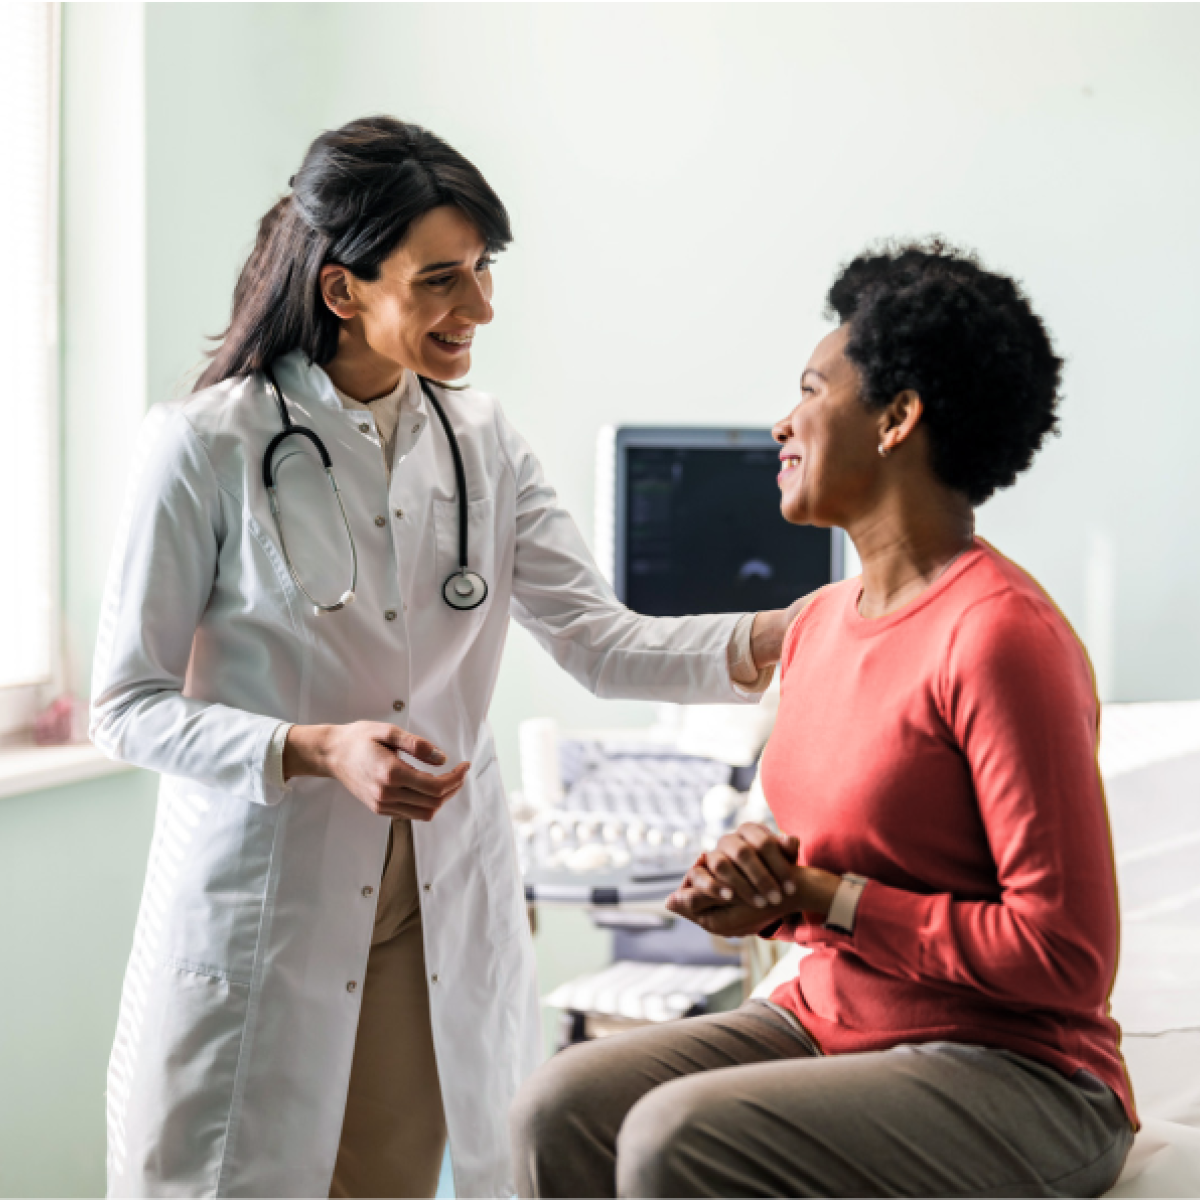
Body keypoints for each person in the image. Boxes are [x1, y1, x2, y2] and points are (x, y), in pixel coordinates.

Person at [90, 116, 802, 1200]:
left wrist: (810, 628)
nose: (480, 309)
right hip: (268, 908)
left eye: (482, 272)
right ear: (342, 291)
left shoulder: (485, 442)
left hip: (429, 911)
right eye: (441, 281)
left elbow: (605, 645)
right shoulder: (204, 446)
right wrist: (316, 747)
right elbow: (125, 706)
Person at [511, 240, 1137, 1200]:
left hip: (1019, 1068)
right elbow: (841, 852)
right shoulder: (818, 627)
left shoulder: (1002, 638)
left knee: (675, 1139)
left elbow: (1066, 957)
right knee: (558, 1107)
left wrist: (823, 896)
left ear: (897, 418)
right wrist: (762, 882)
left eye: (811, 390)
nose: (782, 423)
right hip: (832, 1019)